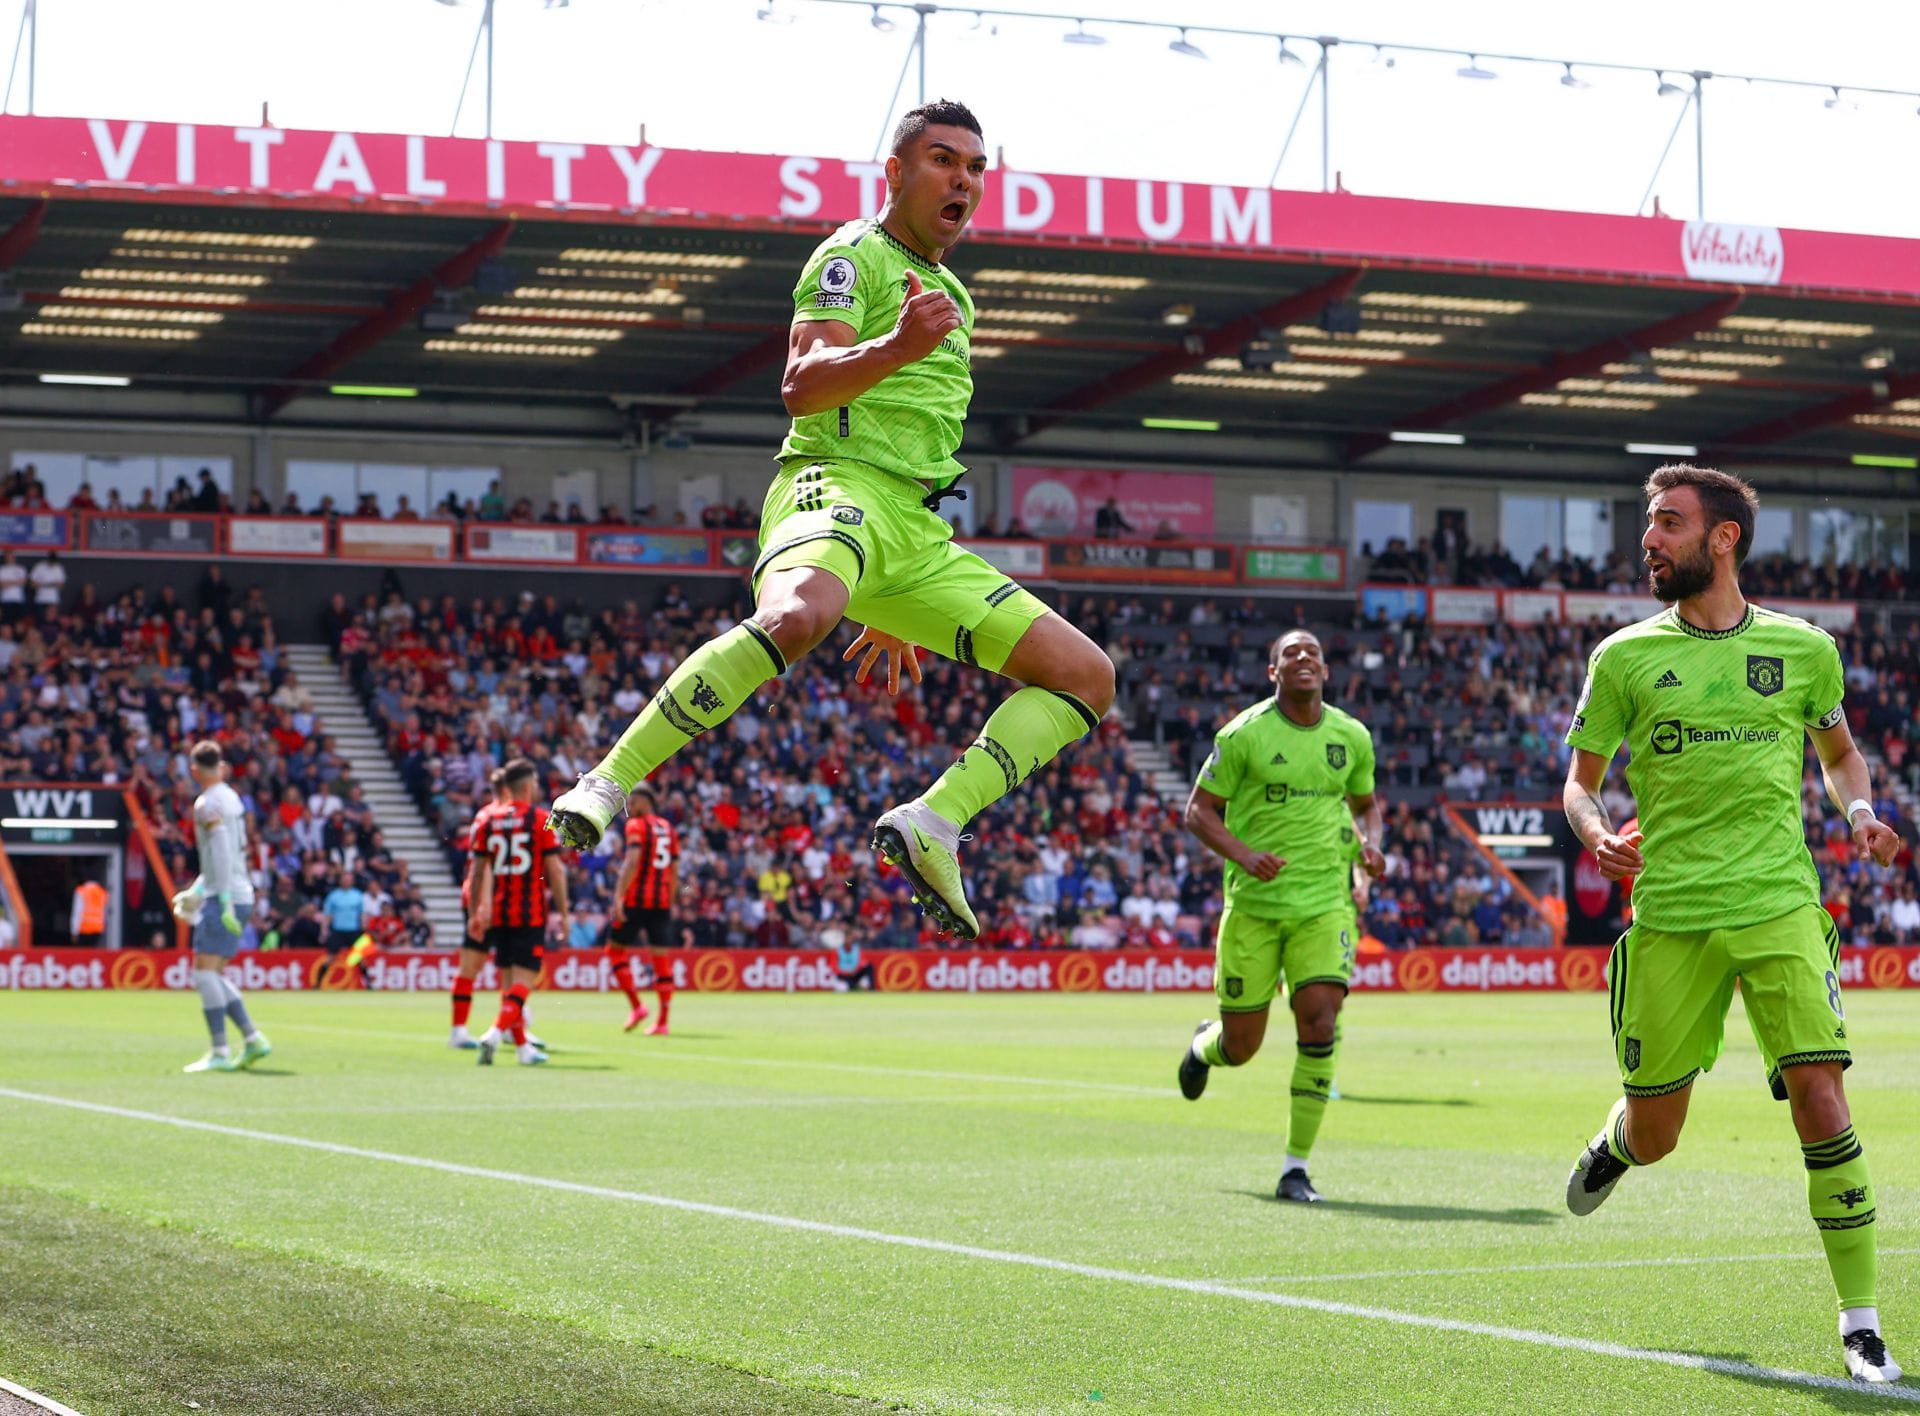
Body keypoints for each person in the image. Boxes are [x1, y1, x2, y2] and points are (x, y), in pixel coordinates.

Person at [548, 99, 1114, 946]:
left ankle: (935, 822)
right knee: (796, 617)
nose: (963, 179)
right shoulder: (854, 252)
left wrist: (892, 608)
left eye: (975, 168)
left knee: (1087, 677)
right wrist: (894, 348)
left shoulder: (954, 291)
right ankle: (608, 779)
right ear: (895, 172)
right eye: (942, 160)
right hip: (832, 483)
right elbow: (802, 385)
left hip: (913, 534)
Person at [1561, 463, 1905, 1384]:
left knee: (1821, 1097)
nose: (1649, 540)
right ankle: (1621, 1141)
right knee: (1661, 1131)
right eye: (1648, 524)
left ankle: (1863, 1324)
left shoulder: (1803, 650)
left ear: (1723, 539)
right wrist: (1595, 834)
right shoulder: (1624, 657)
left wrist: (1858, 812)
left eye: (1667, 523)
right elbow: (1581, 783)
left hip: (1779, 902)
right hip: (1672, 914)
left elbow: (1841, 755)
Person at [1175, 630, 1385, 1204]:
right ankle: (1203, 1048)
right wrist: (1244, 855)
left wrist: (1371, 846)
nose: (1303, 659)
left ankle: (1296, 1169)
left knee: (1319, 1022)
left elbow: (1368, 806)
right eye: (1290, 653)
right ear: (1273, 672)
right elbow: (1198, 811)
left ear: (1325, 670)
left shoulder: (1351, 735)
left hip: (1324, 906)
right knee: (1242, 1047)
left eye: (1313, 652)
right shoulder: (1242, 735)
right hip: (1255, 909)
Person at [170, 741, 272, 1073]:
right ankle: (253, 1039)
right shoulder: (230, 797)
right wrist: (198, 889)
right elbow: (225, 855)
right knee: (212, 973)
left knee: (203, 973)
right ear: (222, 766)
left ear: (194, 769)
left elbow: (221, 850)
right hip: (236, 890)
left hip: (227, 895)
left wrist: (221, 898)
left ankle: (219, 1050)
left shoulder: (207, 803)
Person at [467, 757, 566, 1066]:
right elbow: (555, 870)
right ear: (526, 786)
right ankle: (495, 1034)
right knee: (524, 980)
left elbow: (478, 872)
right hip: (529, 911)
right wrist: (563, 912)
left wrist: (475, 912)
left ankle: (523, 1049)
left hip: (499, 912)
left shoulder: (487, 820)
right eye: (535, 783)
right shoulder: (539, 820)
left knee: (509, 983)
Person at [605, 782, 677, 1036]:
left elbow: (632, 861)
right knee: (661, 960)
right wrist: (671, 898)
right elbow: (674, 869)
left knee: (614, 952)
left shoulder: (635, 825)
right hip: (661, 902)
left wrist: (618, 897)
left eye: (633, 802)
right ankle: (663, 1022)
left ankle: (637, 1006)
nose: (630, 808)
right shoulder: (668, 828)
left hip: (636, 900)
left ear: (646, 801)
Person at [449, 769, 507, 1050]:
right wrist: (483, 905)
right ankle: (462, 1030)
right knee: (486, 965)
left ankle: (464, 1030)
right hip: (488, 899)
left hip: (488, 897)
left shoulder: (485, 817)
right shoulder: (497, 818)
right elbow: (483, 867)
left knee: (497, 965)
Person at [318, 873, 369, 984]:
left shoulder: (358, 895)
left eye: (349, 879)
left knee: (360, 958)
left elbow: (363, 913)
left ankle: (367, 983)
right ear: (340, 880)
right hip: (338, 930)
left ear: (352, 881)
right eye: (344, 879)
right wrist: (324, 929)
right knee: (330, 957)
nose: (346, 881)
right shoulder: (333, 896)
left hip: (354, 930)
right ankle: (318, 983)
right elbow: (327, 915)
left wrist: (364, 927)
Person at [69, 874, 109, 947]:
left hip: (84, 928)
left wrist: (74, 931)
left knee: (83, 955)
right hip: (97, 928)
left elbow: (77, 911)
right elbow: (105, 912)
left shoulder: (81, 890)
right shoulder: (102, 892)